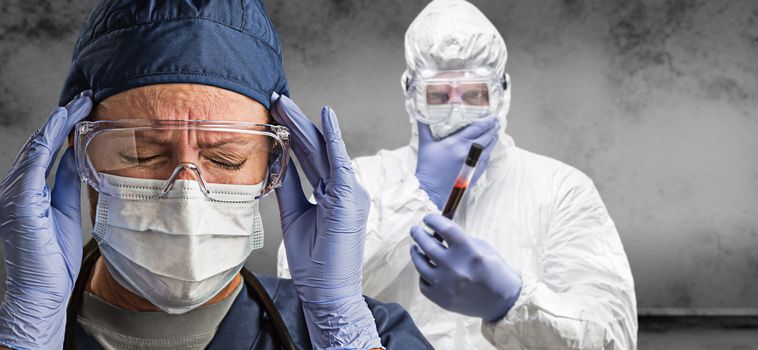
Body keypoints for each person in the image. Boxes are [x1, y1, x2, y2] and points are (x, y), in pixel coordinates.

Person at [0, 1, 432, 349]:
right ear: (80, 156)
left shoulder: (378, 335)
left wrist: (342, 328)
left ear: (272, 167)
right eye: (143, 152)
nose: (186, 195)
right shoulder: (15, 331)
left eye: (226, 159)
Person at [277, 0, 638, 348]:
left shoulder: (560, 190)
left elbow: (613, 336)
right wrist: (419, 193)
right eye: (438, 95)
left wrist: (512, 303)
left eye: (474, 94)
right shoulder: (360, 182)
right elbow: (298, 301)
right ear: (410, 92)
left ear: (503, 92)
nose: (456, 111)